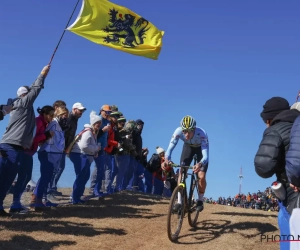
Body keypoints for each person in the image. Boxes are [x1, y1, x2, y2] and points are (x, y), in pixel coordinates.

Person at [0, 65, 50, 217]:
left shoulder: (23, 108)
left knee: (8, 178)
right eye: (28, 93)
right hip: (11, 146)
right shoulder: (22, 103)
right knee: (6, 177)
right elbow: (35, 90)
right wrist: (42, 74)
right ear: (24, 95)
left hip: (16, 147)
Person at [254, 97, 300, 250]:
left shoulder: (275, 130)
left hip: (292, 195)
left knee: (290, 237)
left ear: (269, 119)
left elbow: (263, 168)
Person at [164, 115, 209, 212]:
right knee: (182, 171)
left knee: (201, 176)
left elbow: (205, 156)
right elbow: (170, 148)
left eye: (189, 131)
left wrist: (200, 164)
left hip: (200, 149)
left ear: (194, 129)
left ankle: (200, 200)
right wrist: (167, 159)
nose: (186, 135)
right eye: (184, 131)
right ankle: (180, 202)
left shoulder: (202, 134)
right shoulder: (178, 131)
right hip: (188, 147)